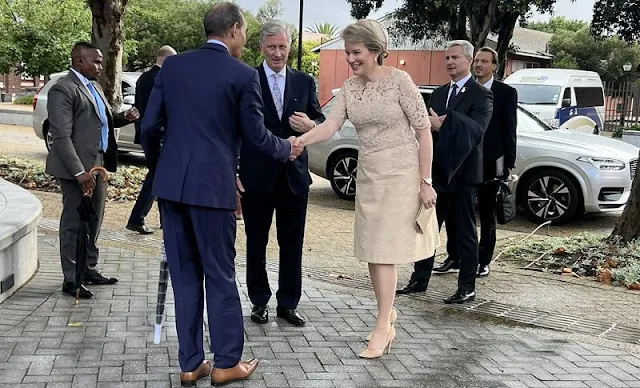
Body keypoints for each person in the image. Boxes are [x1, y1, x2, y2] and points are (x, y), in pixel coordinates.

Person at [140, 3, 303, 387]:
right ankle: (227, 361)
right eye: (245, 32)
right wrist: (287, 149)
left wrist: (161, 168)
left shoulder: (173, 67)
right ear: (233, 29)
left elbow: (149, 126)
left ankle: (190, 363)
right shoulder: (243, 75)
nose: (245, 39)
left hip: (172, 189)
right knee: (219, 273)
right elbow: (257, 135)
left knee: (184, 275)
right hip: (213, 190)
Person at [294, 19, 439, 359]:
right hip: (370, 175)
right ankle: (387, 314)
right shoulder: (350, 88)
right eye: (347, 53)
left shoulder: (401, 82)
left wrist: (425, 181)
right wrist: (300, 141)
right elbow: (330, 125)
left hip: (402, 175)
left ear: (375, 50)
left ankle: (382, 323)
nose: (350, 59)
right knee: (373, 251)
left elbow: (424, 132)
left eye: (356, 52)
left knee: (385, 251)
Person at [238, 20, 325, 327]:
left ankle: (288, 304)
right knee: (256, 242)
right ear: (261, 47)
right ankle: (259, 301)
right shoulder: (247, 79)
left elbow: (320, 119)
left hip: (294, 178)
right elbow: (238, 129)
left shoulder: (304, 81)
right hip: (256, 176)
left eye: (283, 47)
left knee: (292, 243)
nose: (277, 53)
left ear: (290, 47)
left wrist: (311, 126)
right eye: (272, 47)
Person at [397, 40, 493, 304]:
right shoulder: (438, 94)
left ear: (469, 60)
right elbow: (423, 129)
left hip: (463, 176)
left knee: (464, 232)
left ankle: (466, 286)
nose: (450, 62)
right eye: (446, 58)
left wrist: (442, 122)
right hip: (437, 174)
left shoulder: (481, 95)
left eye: (455, 58)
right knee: (425, 228)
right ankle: (419, 280)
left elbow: (476, 131)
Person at [45, 42, 139, 300]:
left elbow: (102, 121)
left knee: (94, 219)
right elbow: (61, 137)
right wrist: (78, 172)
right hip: (76, 167)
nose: (100, 66)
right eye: (95, 61)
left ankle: (88, 270)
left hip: (98, 163)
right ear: (79, 62)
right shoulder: (63, 90)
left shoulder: (94, 86)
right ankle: (71, 279)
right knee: (74, 223)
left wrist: (124, 117)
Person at [473, 47, 517, 277]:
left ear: (494, 66)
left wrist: (508, 163)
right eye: (476, 60)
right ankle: (457, 257)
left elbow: (510, 128)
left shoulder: (506, 93)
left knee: (488, 213)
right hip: (466, 160)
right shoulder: (465, 89)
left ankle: (483, 261)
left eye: (484, 61)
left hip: (491, 162)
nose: (478, 64)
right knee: (461, 212)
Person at [125, 45, 177, 235]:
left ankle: (164, 219)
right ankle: (137, 218)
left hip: (145, 133)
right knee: (156, 176)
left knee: (159, 175)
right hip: (160, 134)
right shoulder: (164, 79)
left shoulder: (143, 78)